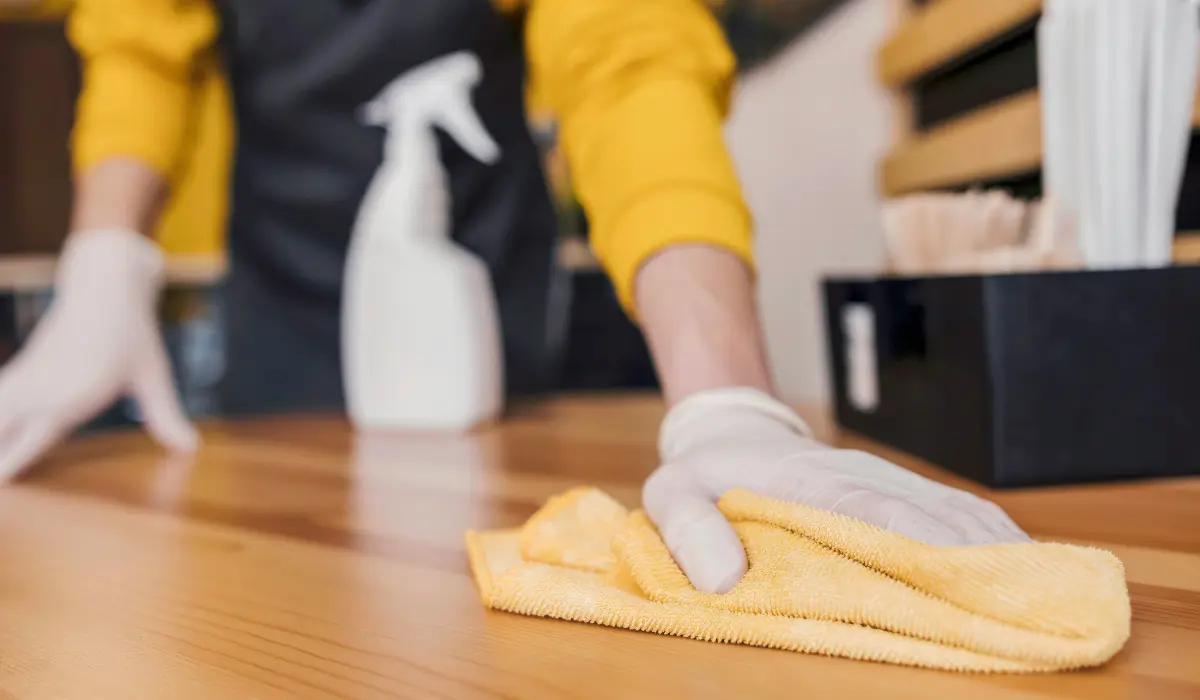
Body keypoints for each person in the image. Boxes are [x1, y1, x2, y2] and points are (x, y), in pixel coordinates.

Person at [0, 0, 1029, 595]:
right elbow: (141, 49)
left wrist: (727, 398)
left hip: (481, 297)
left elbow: (629, 62)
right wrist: (105, 260)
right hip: (282, 297)